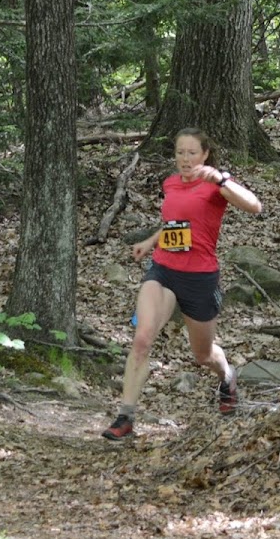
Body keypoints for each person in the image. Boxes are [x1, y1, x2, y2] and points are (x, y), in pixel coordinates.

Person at [103, 128, 263, 440]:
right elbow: (175, 223)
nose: (185, 159)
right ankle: (125, 417)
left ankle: (227, 376)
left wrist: (221, 179)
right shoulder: (171, 183)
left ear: (204, 155)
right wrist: (151, 241)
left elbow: (255, 206)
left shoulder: (217, 185)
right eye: (180, 152)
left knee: (202, 355)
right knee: (142, 339)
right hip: (164, 270)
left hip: (200, 277)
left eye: (191, 153)